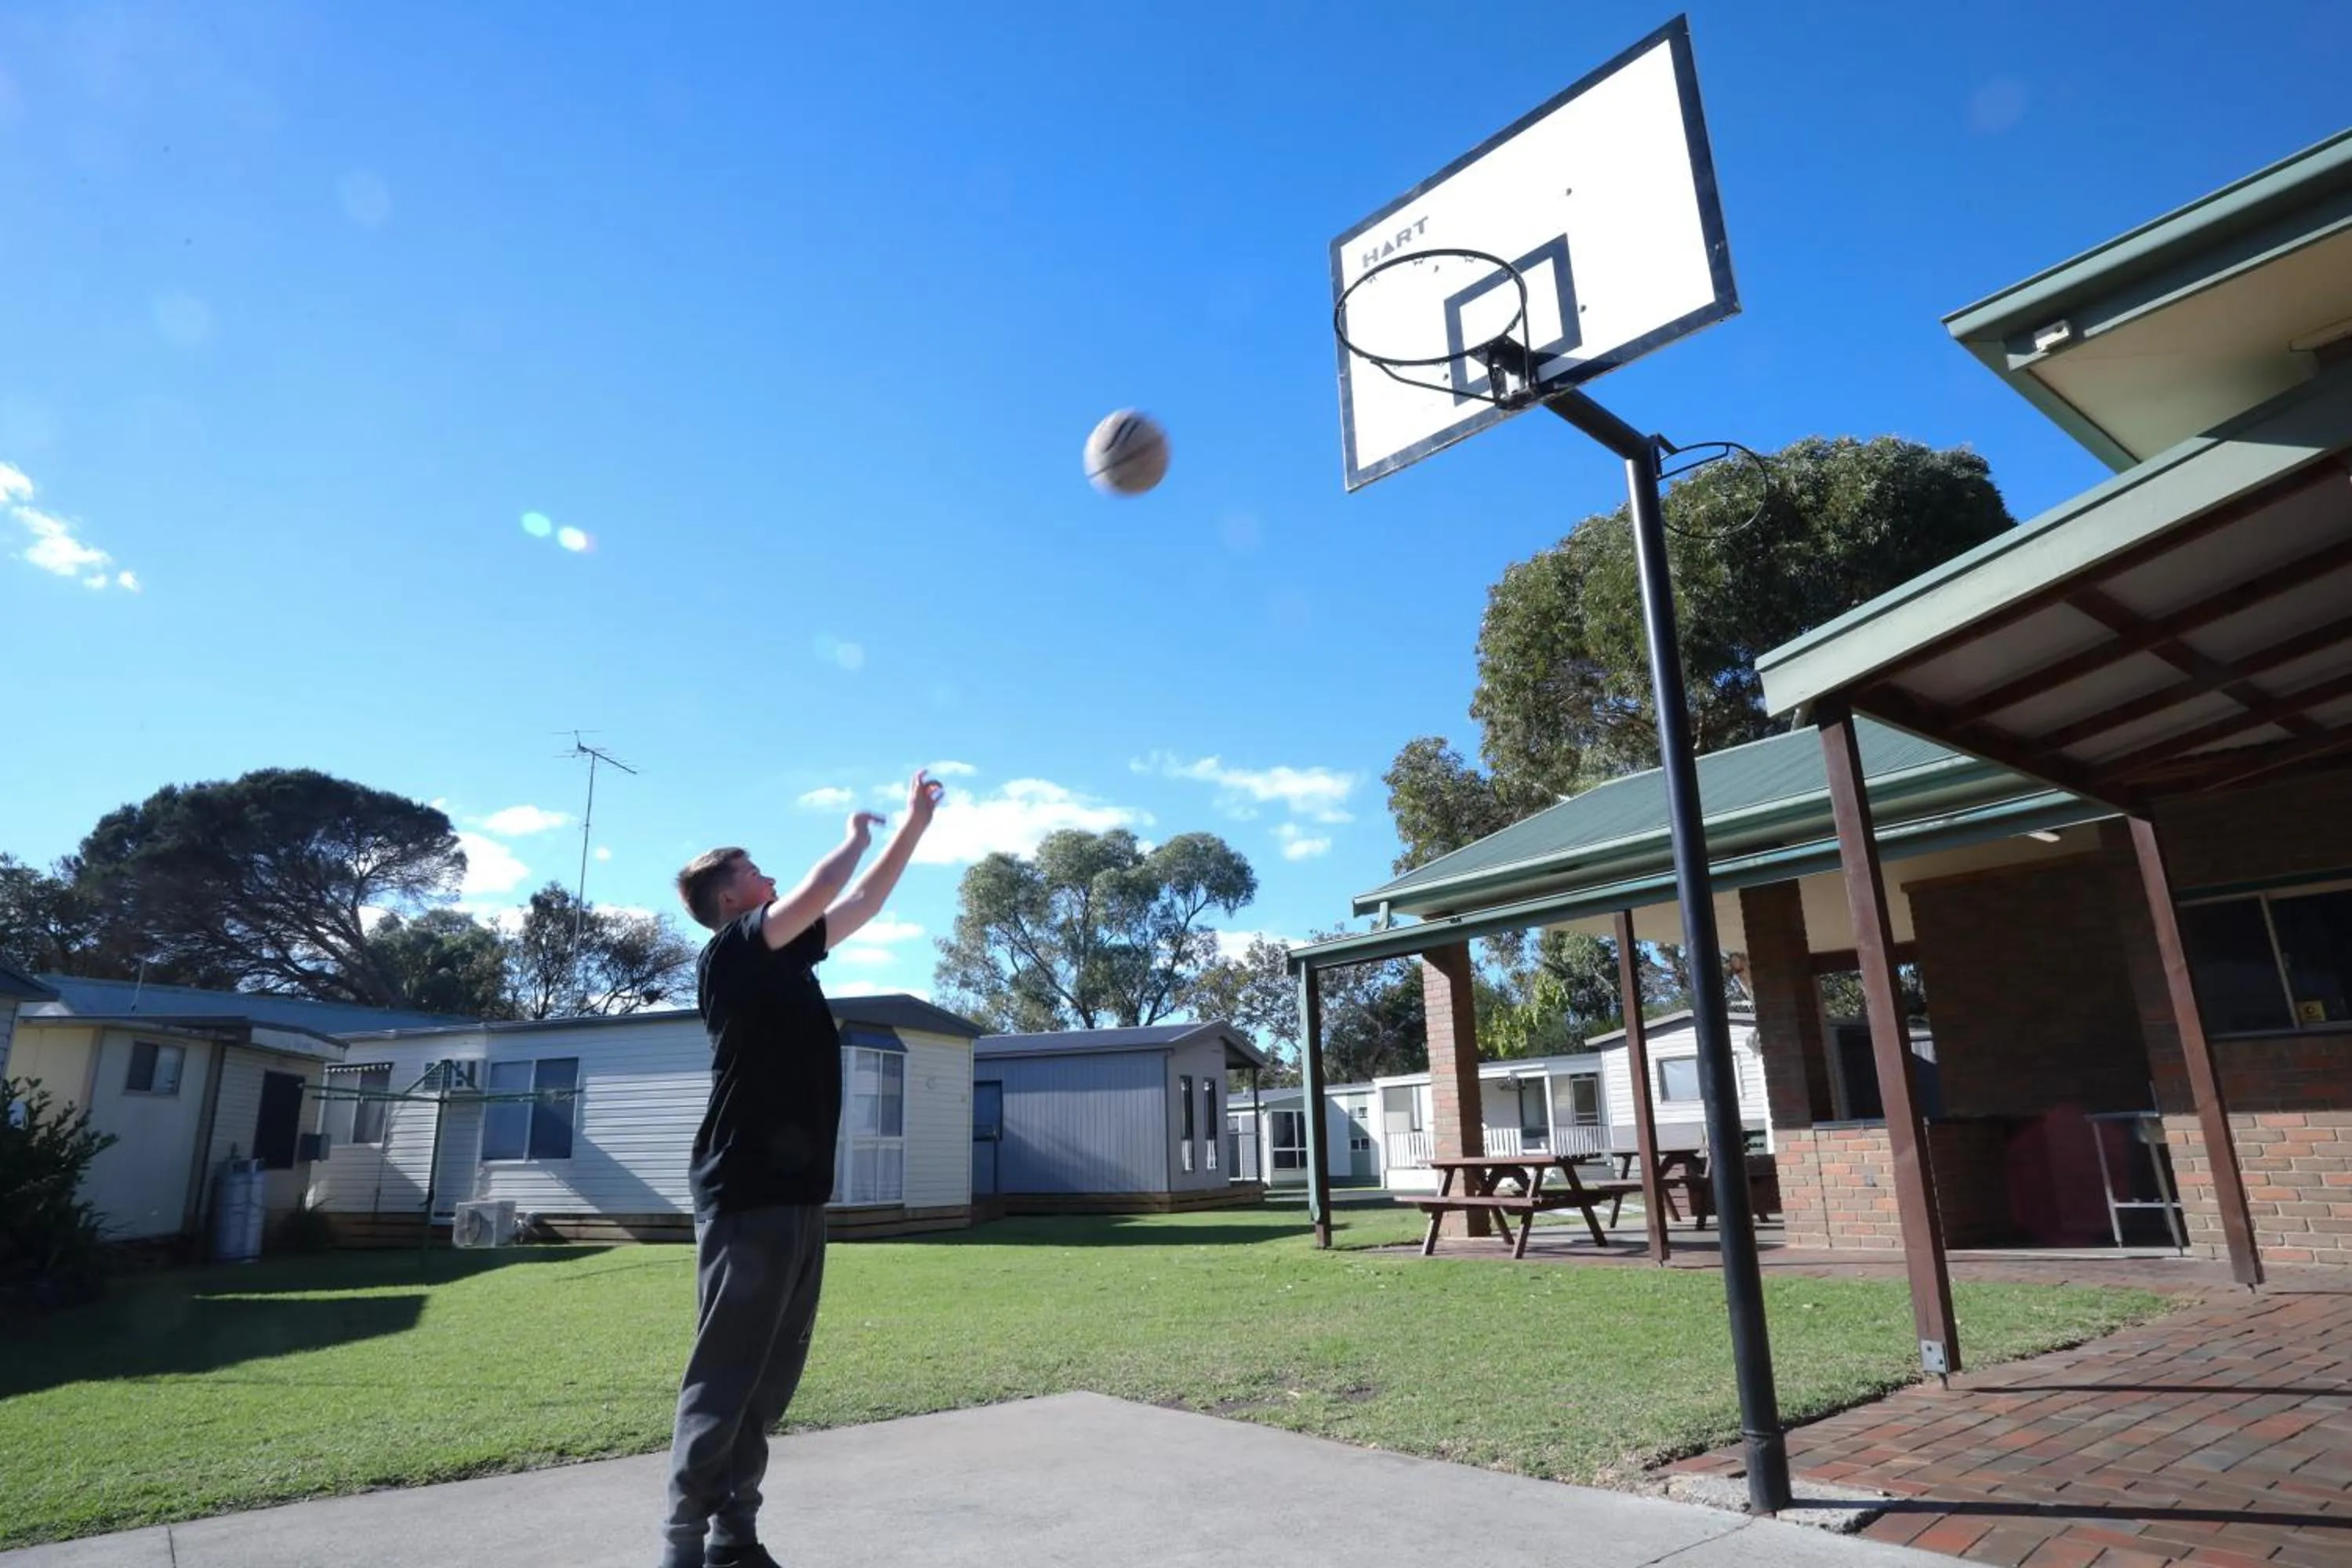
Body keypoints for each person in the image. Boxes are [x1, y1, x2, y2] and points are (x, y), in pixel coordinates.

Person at [657, 768, 943, 1568]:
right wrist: (854, 835)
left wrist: (912, 827)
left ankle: (733, 1536)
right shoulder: (731, 955)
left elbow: (862, 905)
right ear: (729, 900)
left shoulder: (784, 961)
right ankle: (680, 1541)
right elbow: (825, 888)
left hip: (797, 1192)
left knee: (771, 1374)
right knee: (725, 1369)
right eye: (753, 873)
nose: (770, 877)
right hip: (744, 1186)